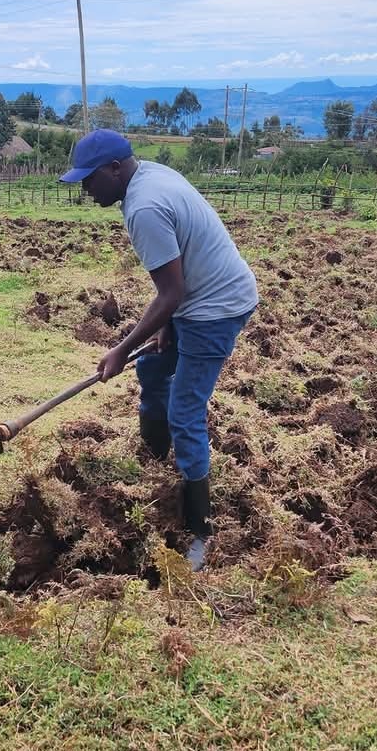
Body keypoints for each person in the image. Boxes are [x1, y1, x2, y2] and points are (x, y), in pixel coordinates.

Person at [60, 129, 258, 569]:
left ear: (115, 169)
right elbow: (175, 286)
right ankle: (154, 460)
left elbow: (170, 292)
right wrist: (165, 328)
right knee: (152, 368)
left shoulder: (145, 207)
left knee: (185, 412)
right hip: (196, 301)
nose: (86, 191)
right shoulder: (148, 176)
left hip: (216, 309)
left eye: (89, 180)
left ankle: (200, 530)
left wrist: (118, 348)